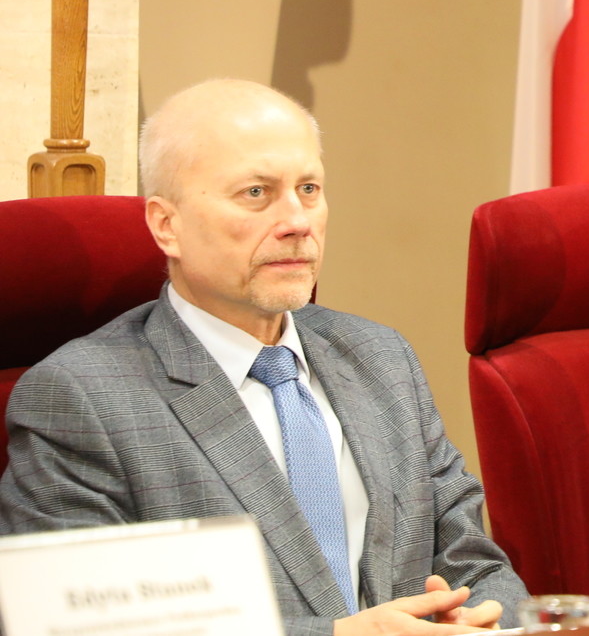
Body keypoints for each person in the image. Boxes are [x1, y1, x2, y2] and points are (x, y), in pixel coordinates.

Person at [0, 80, 528, 636]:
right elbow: (78, 627)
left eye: (309, 188)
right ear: (166, 225)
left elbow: (474, 561)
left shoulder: (381, 358)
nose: (298, 221)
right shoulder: (81, 399)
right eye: (256, 192)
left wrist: (486, 618)